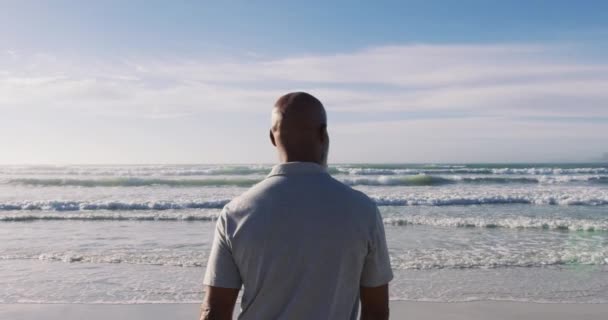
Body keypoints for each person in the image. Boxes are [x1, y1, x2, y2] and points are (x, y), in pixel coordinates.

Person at [200, 92, 393, 320]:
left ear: (272, 137)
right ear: (323, 134)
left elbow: (216, 310)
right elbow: (376, 311)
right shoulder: (362, 210)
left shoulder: (236, 213)